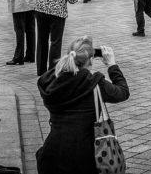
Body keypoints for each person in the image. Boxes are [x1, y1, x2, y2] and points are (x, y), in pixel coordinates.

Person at [36, 36, 130, 174]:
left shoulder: (49, 82)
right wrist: (112, 65)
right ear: (91, 60)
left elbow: (54, 73)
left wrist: (67, 62)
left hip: (53, 154)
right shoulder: (94, 83)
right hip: (86, 157)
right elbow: (123, 92)